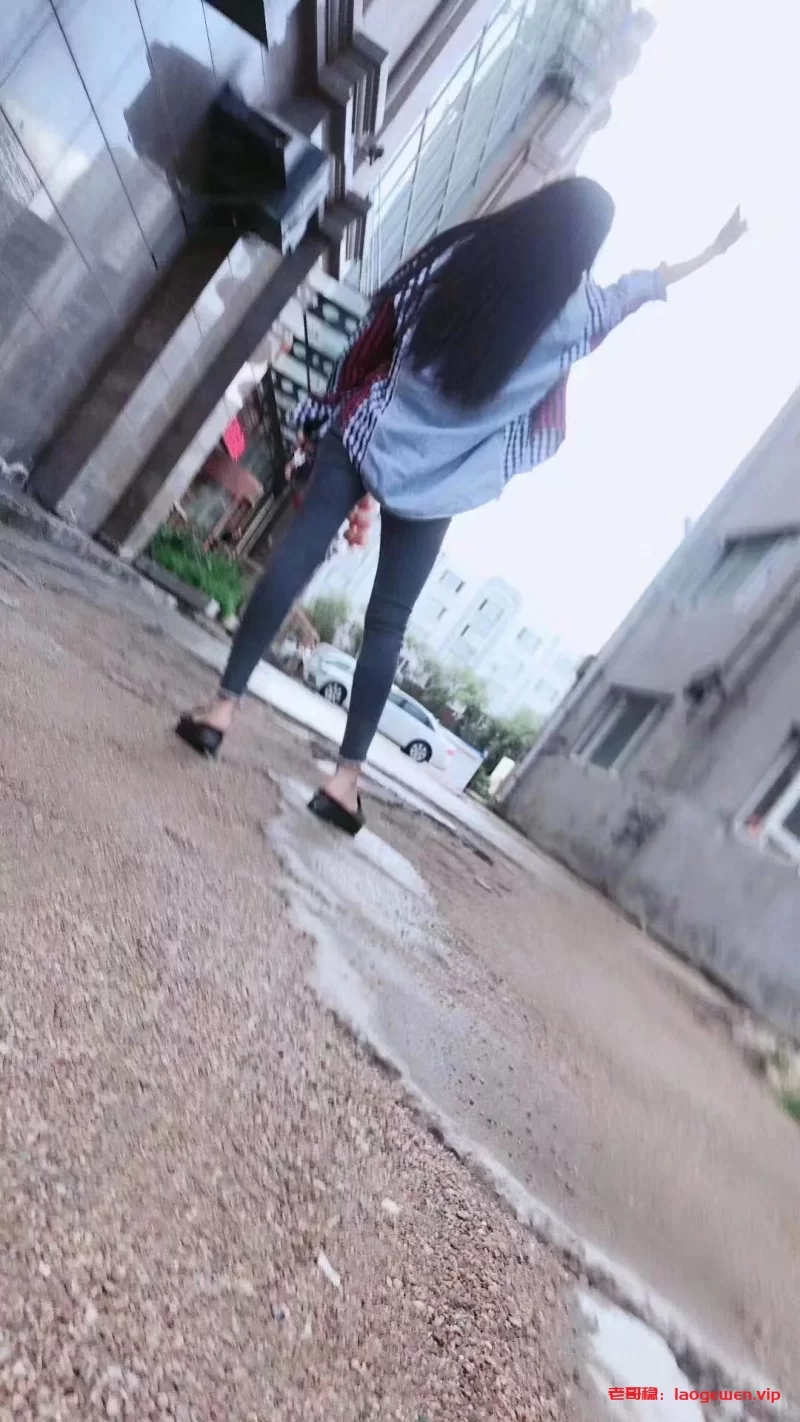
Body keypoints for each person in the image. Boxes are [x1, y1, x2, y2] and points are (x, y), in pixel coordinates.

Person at [176, 177, 746, 834]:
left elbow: (379, 329)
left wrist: (333, 403)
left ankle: (221, 711)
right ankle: (344, 781)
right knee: (387, 624)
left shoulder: (460, 258)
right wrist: (713, 252)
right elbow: (643, 286)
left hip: (369, 429)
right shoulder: (580, 315)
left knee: (296, 558)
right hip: (445, 479)